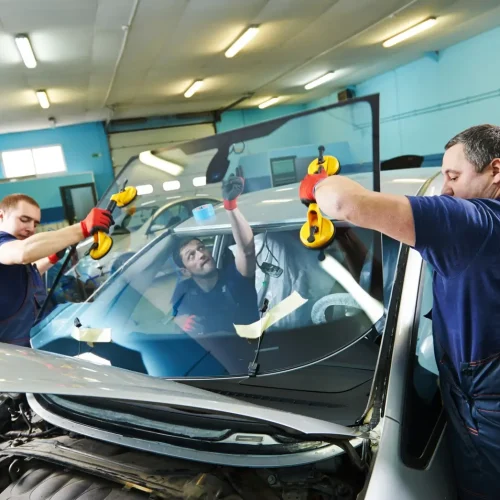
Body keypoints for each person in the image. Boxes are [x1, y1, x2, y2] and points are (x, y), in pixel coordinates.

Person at [299, 124, 500, 500]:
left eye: (454, 176)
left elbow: (343, 204)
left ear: (496, 171)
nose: (447, 189)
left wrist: (318, 185)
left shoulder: (470, 223)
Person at [0, 193, 113, 347]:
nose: (31, 228)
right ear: (1, 216)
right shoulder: (6, 246)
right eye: (24, 220)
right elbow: (22, 253)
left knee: (104, 327)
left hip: (41, 333)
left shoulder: (11, 251)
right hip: (19, 350)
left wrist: (50, 259)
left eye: (35, 223)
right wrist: (83, 228)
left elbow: (21, 279)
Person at [171, 175, 259, 337]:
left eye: (201, 248)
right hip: (213, 354)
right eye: (191, 256)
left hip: (252, 347)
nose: (201, 254)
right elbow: (172, 317)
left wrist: (230, 207)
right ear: (185, 271)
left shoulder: (234, 276)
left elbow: (246, 251)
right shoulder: (184, 291)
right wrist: (178, 320)